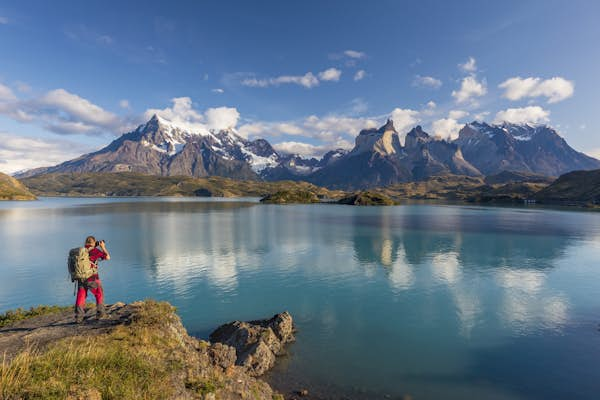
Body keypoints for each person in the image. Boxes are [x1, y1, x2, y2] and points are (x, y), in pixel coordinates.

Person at [74, 236, 111, 323]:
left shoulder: (81, 251)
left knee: (81, 296)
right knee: (99, 293)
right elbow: (107, 257)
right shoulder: (95, 251)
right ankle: (101, 313)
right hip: (92, 277)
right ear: (94, 243)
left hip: (81, 278)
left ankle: (79, 317)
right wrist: (103, 247)